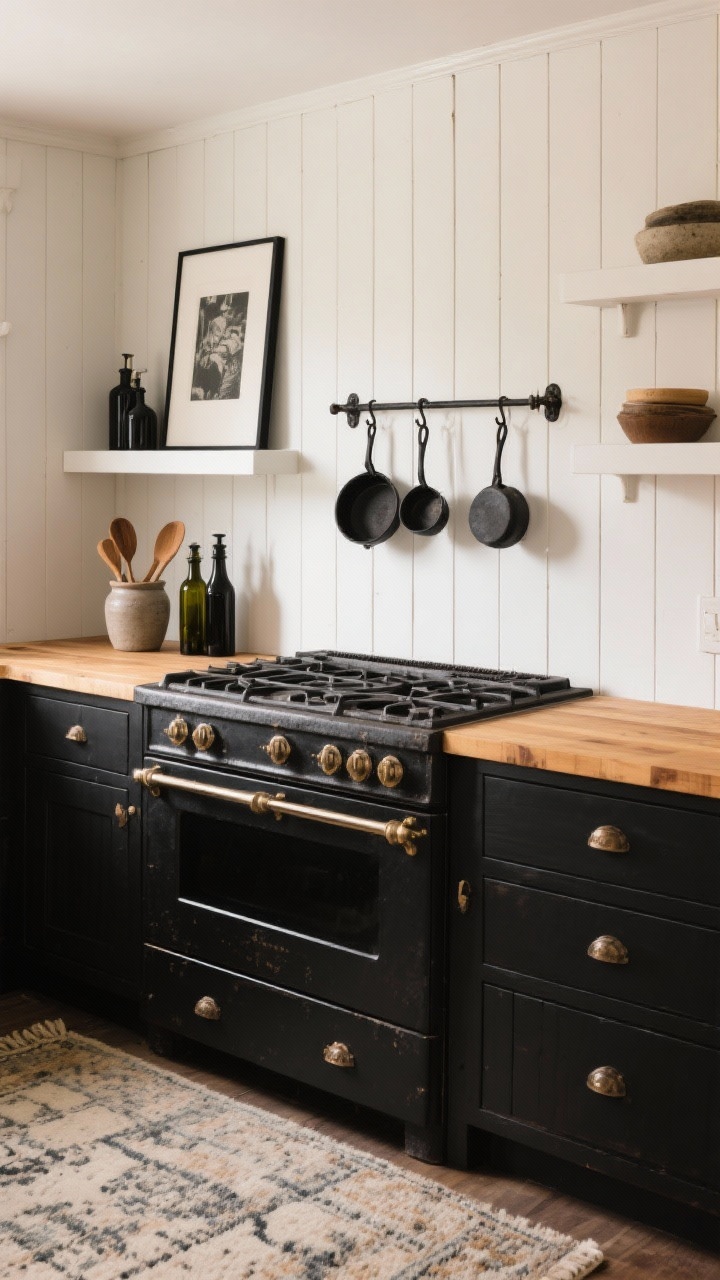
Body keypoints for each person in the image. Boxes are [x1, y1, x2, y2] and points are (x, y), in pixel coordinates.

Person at [192, 293, 247, 400]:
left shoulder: (228, 329)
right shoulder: (218, 323)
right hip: (213, 361)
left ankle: (213, 390)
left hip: (220, 363)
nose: (228, 312)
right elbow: (209, 342)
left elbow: (231, 346)